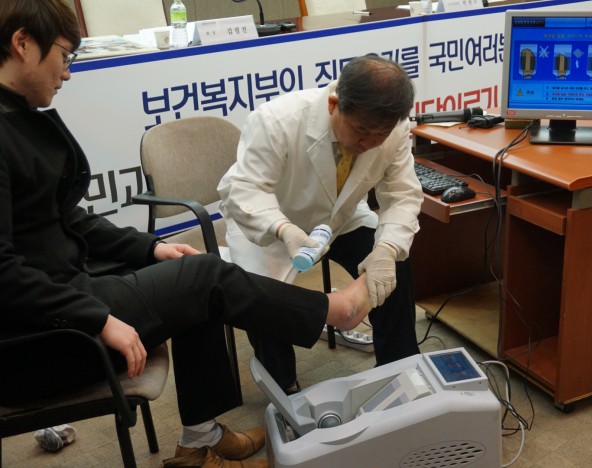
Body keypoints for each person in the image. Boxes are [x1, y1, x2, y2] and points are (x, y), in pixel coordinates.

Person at [0, 1, 371, 467]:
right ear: (22, 43)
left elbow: (67, 219)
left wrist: (151, 247)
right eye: (64, 56)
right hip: (38, 341)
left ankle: (198, 440)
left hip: (62, 300)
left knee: (191, 273)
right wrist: (98, 319)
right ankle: (333, 311)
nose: (67, 73)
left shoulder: (17, 115)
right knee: (205, 277)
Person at [217, 55, 424, 392]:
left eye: (380, 135)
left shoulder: (394, 130)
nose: (369, 144)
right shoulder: (277, 120)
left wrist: (386, 249)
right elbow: (246, 189)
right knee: (262, 297)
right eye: (360, 131)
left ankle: (399, 367)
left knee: (394, 265)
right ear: (333, 104)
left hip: (340, 216)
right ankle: (284, 388)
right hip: (272, 223)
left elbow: (402, 195)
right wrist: (284, 230)